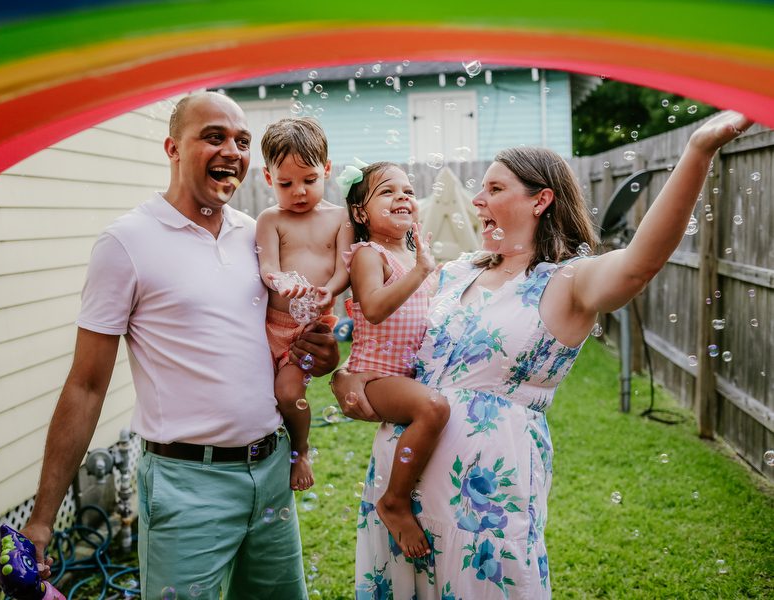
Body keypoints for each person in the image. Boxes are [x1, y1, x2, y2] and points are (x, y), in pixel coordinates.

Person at [332, 111, 752, 599]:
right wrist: (348, 374)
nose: (477, 199)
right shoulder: (454, 273)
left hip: (483, 503)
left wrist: (698, 150)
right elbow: (390, 341)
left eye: (493, 188)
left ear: (540, 200)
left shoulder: (567, 282)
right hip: (397, 485)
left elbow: (639, 264)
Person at [19, 91, 339, 600]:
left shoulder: (257, 236)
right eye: (213, 137)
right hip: (187, 484)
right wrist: (41, 519)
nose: (231, 150)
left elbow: (281, 343)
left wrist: (320, 356)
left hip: (271, 470)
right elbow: (85, 386)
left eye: (241, 140)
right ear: (172, 147)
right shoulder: (126, 243)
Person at [338, 161, 449, 558]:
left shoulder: (417, 254)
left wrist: (426, 267)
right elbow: (373, 308)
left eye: (407, 189)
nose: (402, 195)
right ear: (360, 213)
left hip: (406, 373)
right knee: (432, 408)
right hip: (373, 375)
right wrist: (421, 271)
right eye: (387, 191)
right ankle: (394, 502)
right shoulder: (370, 254)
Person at [256, 117, 353, 491]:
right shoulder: (270, 219)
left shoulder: (339, 218)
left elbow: (344, 266)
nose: (298, 191)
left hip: (312, 327)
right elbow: (268, 268)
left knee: (287, 392)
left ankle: (301, 450)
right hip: (272, 325)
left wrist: (329, 289)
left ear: (326, 170)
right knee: (261, 398)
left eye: (309, 180)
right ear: (268, 178)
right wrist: (281, 281)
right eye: (286, 183)